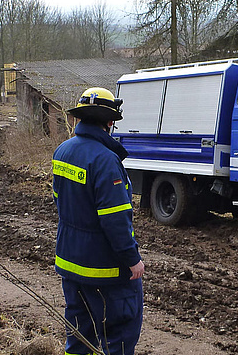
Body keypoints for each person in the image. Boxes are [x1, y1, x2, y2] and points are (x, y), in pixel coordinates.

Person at [52, 87, 145, 355]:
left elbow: (59, 199)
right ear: (110, 122)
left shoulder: (62, 151)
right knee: (118, 336)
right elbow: (115, 220)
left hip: (70, 262)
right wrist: (131, 259)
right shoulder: (106, 161)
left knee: (79, 337)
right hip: (105, 272)